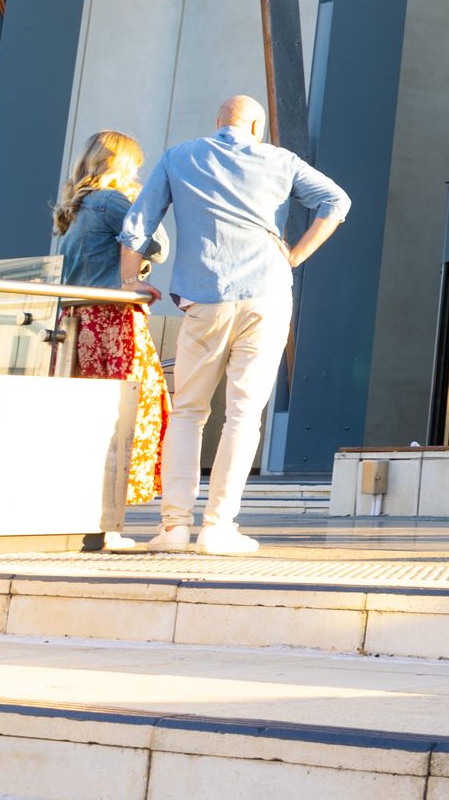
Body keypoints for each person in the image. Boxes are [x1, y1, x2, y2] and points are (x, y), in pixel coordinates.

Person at [117, 96, 350, 555]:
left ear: (217, 122)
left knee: (188, 411)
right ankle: (219, 528)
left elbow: (137, 224)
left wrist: (130, 279)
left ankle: (174, 526)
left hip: (205, 298)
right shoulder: (280, 159)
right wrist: (297, 255)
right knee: (243, 414)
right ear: (257, 125)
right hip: (266, 293)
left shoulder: (180, 156)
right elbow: (337, 200)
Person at [54, 130, 168, 549]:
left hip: (80, 320)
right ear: (119, 164)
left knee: (92, 418)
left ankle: (93, 521)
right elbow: (156, 247)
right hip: (114, 323)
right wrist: (145, 200)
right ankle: (107, 525)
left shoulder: (77, 207)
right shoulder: (111, 201)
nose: (137, 171)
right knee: (127, 416)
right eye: (133, 165)